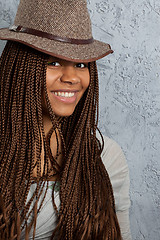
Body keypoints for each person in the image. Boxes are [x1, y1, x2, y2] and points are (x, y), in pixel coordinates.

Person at [0, 0, 132, 239]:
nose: (72, 78)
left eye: (80, 64)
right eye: (53, 62)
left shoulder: (105, 157)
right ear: (21, 66)